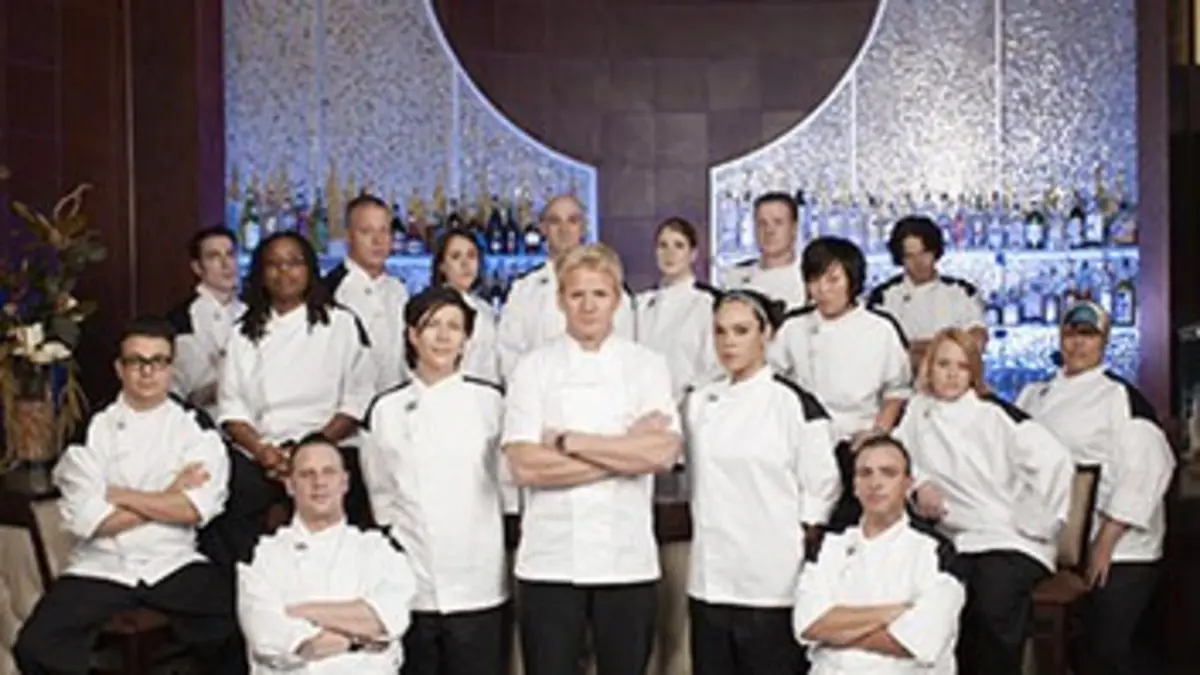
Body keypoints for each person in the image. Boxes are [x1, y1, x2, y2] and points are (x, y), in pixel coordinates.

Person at [14, 317, 243, 675]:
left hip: (173, 560)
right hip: (102, 564)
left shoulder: (194, 427)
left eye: (158, 361)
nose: (147, 372)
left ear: (171, 368)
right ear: (119, 369)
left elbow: (194, 510)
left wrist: (119, 495)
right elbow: (93, 521)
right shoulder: (93, 427)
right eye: (136, 361)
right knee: (35, 646)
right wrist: (168, 494)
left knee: (237, 628)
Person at [502, 242, 683, 675]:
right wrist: (625, 451)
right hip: (549, 559)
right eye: (577, 294)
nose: (588, 306)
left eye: (599, 294)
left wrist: (571, 442)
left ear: (617, 300)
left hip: (627, 559)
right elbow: (523, 465)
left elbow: (663, 452)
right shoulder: (533, 368)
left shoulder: (647, 365)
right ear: (560, 300)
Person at [894, 328, 1074, 675]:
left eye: (962, 366)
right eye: (943, 364)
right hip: (955, 539)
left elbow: (1056, 461)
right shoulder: (917, 411)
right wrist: (921, 484)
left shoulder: (994, 414)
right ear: (929, 367)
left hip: (1009, 538)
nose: (951, 374)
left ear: (973, 373)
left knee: (991, 604)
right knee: (931, 602)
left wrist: (1033, 521)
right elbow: (897, 456)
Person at [685, 289, 841, 675]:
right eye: (720, 331)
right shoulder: (699, 402)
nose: (729, 342)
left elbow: (822, 485)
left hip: (772, 582)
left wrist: (801, 536)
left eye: (741, 331)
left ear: (766, 334)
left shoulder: (792, 403)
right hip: (709, 578)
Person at [1016, 301, 1176, 675]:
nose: (1078, 343)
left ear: (1104, 341)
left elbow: (1146, 468)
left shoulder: (1120, 397)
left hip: (1121, 550)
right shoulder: (1034, 394)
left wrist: (1105, 542)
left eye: (1088, 335)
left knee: (1105, 651)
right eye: (1071, 333)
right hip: (1054, 541)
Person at [360, 286, 509, 675]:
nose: (443, 337)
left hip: (479, 577)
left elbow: (508, 487)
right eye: (431, 326)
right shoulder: (386, 409)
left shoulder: (492, 403)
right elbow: (381, 494)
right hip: (412, 579)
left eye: (454, 327)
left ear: (466, 339)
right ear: (412, 335)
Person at [219, 231, 375, 561]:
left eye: (293, 263)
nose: (284, 272)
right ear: (260, 273)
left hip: (330, 442)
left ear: (310, 269)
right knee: (231, 496)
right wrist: (263, 452)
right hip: (264, 452)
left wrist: (308, 450)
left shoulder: (341, 324)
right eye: (273, 264)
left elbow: (356, 400)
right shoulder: (242, 333)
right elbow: (233, 409)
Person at [238, 434, 417, 674]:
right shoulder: (262, 555)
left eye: (328, 472)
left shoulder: (380, 550)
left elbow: (385, 619)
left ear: (345, 482)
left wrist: (301, 611)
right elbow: (266, 636)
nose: (319, 482)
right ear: (290, 485)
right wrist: (356, 640)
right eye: (307, 474)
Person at [770, 236, 912, 528]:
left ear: (852, 281)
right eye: (815, 280)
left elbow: (896, 390)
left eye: (833, 280)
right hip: (804, 443)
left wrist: (877, 433)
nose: (823, 290)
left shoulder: (879, 329)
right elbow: (772, 381)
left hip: (858, 441)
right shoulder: (794, 327)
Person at [794, 436, 966, 675]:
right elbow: (807, 624)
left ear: (908, 484)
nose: (875, 483)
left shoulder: (937, 551)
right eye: (865, 473)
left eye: (888, 473)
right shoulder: (828, 546)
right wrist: (893, 613)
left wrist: (834, 634)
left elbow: (923, 640)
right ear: (854, 485)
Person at [496, 194, 635, 381]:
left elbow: (625, 346)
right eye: (555, 221)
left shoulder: (609, 286)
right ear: (543, 228)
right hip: (540, 393)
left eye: (572, 221)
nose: (564, 230)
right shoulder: (524, 291)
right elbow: (509, 352)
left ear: (583, 227)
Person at [866, 216, 987, 366]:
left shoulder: (962, 292)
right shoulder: (883, 297)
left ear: (936, 252)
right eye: (910, 256)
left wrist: (914, 348)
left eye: (924, 254)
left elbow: (977, 342)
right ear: (900, 258)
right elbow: (879, 352)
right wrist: (949, 346)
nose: (919, 263)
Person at [324, 193, 410, 392]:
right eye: (366, 231)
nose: (377, 240)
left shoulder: (397, 289)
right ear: (349, 236)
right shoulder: (332, 290)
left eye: (384, 231)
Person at [634, 217, 720, 400]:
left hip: (689, 405)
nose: (669, 253)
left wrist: (690, 396)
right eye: (663, 246)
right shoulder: (641, 304)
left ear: (693, 253)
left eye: (679, 246)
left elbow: (715, 366)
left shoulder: (706, 303)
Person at [167, 225, 246, 420]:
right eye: (214, 257)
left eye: (230, 255)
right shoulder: (182, 320)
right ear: (197, 267)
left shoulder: (252, 313)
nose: (226, 264)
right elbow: (176, 393)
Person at [430, 229, 501, 383]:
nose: (465, 264)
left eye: (471, 256)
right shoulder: (429, 309)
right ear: (442, 265)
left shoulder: (485, 310)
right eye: (456, 256)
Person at [725, 192, 807, 311]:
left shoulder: (809, 277)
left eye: (778, 222)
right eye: (762, 223)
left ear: (794, 228)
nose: (769, 230)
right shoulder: (736, 276)